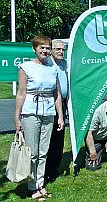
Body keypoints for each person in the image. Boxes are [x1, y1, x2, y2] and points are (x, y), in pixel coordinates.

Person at [15, 35, 64, 200]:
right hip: (30, 112)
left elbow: (56, 94)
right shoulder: (26, 67)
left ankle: (40, 183)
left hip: (49, 112)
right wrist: (17, 118)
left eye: (47, 48)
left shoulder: (53, 68)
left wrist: (60, 117)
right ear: (34, 49)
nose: (45, 50)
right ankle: (32, 186)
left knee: (43, 151)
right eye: (41, 47)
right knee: (32, 151)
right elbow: (21, 94)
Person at [45, 39, 68, 182]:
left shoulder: (65, 64)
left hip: (63, 102)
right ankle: (46, 170)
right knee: (50, 137)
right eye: (57, 49)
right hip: (50, 103)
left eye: (63, 49)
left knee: (59, 136)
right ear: (51, 50)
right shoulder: (47, 65)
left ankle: (54, 168)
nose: (60, 52)